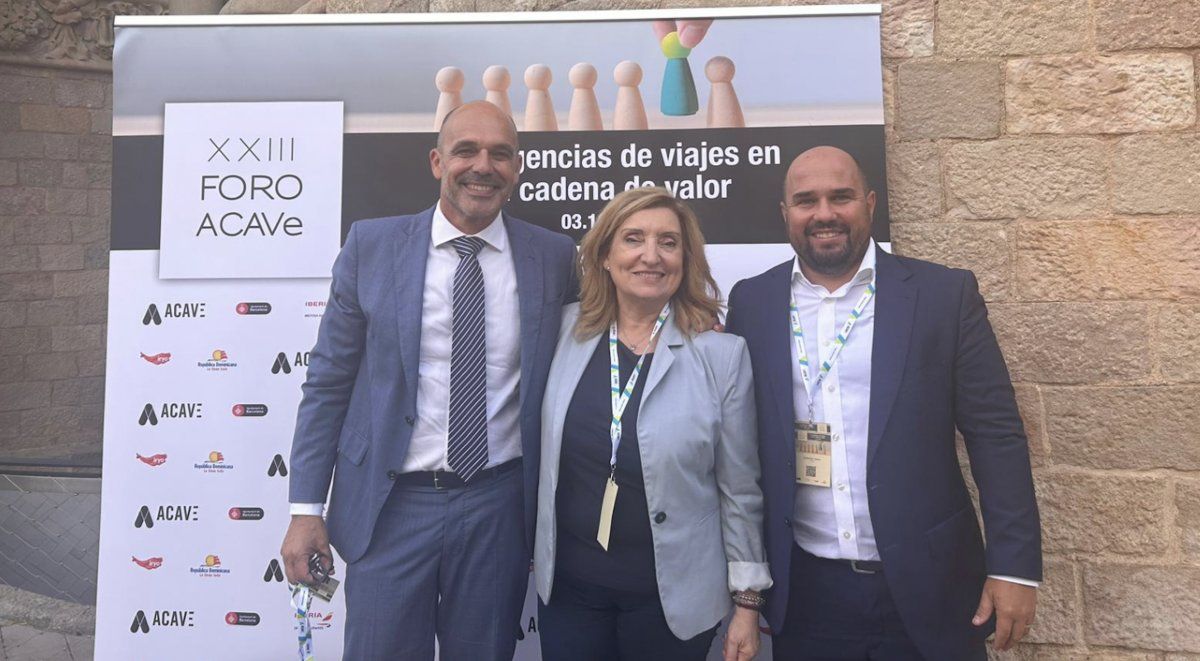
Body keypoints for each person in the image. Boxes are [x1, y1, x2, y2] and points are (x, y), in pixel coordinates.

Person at [280, 100, 578, 660]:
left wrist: (681, 318)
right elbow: (327, 383)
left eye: (500, 154)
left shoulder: (554, 256)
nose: (483, 166)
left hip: (497, 506)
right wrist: (305, 510)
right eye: (466, 151)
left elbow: (599, 335)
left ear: (517, 168)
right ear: (438, 162)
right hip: (390, 506)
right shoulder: (372, 246)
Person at [725, 146, 1041, 660]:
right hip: (806, 596)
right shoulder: (751, 302)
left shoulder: (944, 295)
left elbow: (996, 435)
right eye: (806, 201)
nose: (824, 213)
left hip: (931, 586)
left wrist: (1013, 567)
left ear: (870, 204)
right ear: (786, 213)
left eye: (841, 197)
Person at [534, 187, 771, 661]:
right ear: (605, 255)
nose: (651, 255)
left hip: (672, 603)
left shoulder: (720, 355)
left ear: (685, 258)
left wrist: (747, 601)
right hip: (569, 592)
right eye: (633, 239)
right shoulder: (561, 332)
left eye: (668, 242)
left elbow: (740, 488)